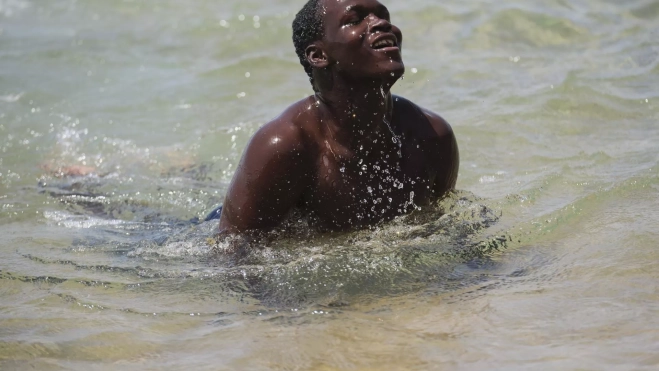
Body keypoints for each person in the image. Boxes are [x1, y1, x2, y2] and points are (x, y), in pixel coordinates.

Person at [216, 0, 459, 234]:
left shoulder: (431, 136)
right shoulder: (284, 147)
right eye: (355, 19)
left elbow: (439, 227)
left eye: (384, 16)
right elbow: (232, 253)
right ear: (319, 55)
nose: (381, 24)